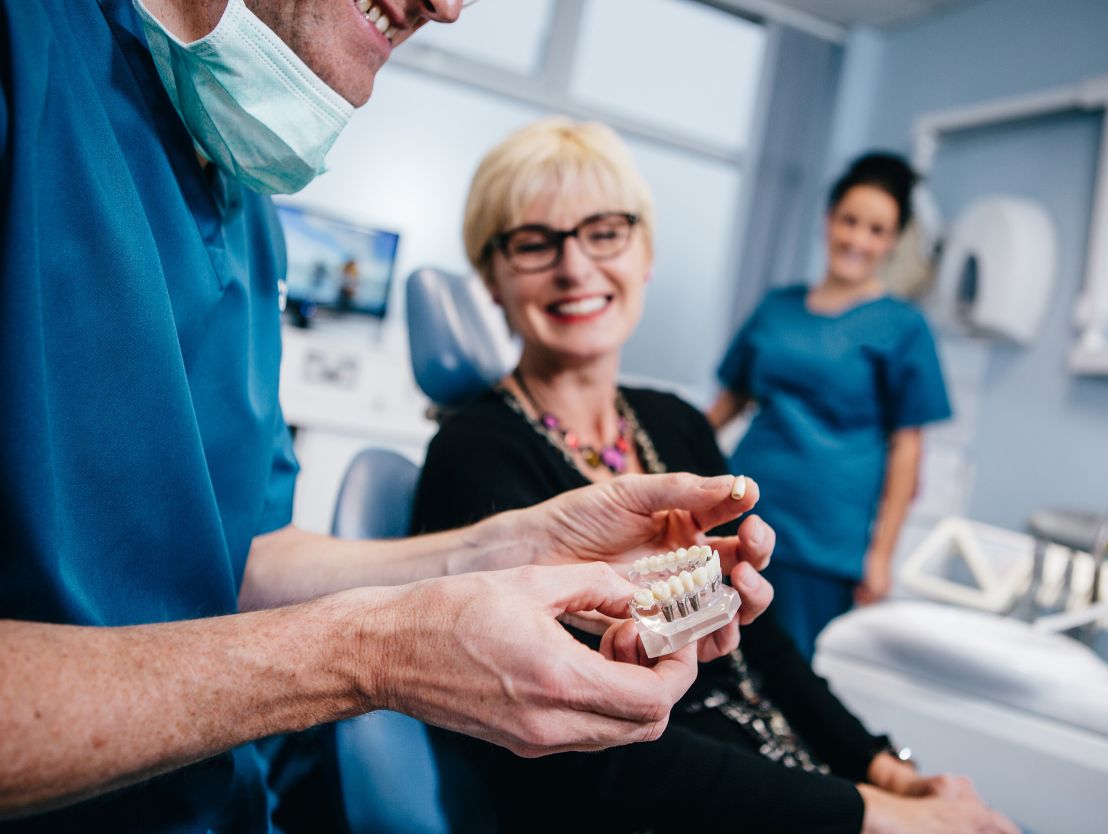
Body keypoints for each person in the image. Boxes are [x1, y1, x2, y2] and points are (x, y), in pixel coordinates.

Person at [0, 2, 773, 831]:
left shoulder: (247, 206)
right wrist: (370, 652)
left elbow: (242, 558)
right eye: (536, 243)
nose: (448, 8)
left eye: (607, 232)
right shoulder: (31, 59)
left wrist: (507, 547)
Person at [411, 117, 1017, 834]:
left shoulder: (674, 427)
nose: (575, 268)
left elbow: (765, 648)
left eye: (605, 232)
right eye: (535, 243)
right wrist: (867, 814)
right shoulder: (476, 454)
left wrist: (889, 772)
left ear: (646, 256)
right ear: (491, 276)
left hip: (774, 779)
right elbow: (581, 749)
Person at [708, 152, 952, 660]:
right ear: (829, 220)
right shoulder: (778, 307)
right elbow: (729, 402)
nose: (858, 240)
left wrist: (880, 556)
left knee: (787, 679)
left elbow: (907, 450)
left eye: (876, 230)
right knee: (707, 656)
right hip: (740, 517)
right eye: (850, 221)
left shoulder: (902, 327)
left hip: (823, 543)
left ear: (892, 241)